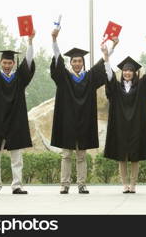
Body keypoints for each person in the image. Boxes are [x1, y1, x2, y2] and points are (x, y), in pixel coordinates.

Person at [50, 29, 118, 194]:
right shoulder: (64, 78)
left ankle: (82, 184)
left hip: (84, 121)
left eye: (80, 61)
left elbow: (103, 63)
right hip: (67, 121)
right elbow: (57, 61)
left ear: (83, 63)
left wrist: (112, 46)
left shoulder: (89, 78)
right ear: (71, 63)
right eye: (74, 61)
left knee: (81, 155)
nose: (77, 63)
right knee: (66, 155)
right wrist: (54, 39)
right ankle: (64, 184)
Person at [0, 24, 35, 195]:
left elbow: (29, 62)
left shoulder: (20, 79)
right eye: (5, 62)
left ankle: (17, 185)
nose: (8, 65)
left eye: (10, 62)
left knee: (17, 155)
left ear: (13, 63)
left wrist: (30, 42)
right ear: (1, 62)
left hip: (15, 120)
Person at [104, 49, 146, 193]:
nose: (127, 73)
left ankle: (133, 185)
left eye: (130, 70)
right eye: (125, 70)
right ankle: (124, 184)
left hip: (136, 126)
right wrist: (106, 57)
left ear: (134, 73)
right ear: (122, 73)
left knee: (135, 157)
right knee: (121, 157)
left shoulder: (140, 87)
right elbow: (109, 77)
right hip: (120, 127)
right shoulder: (116, 88)